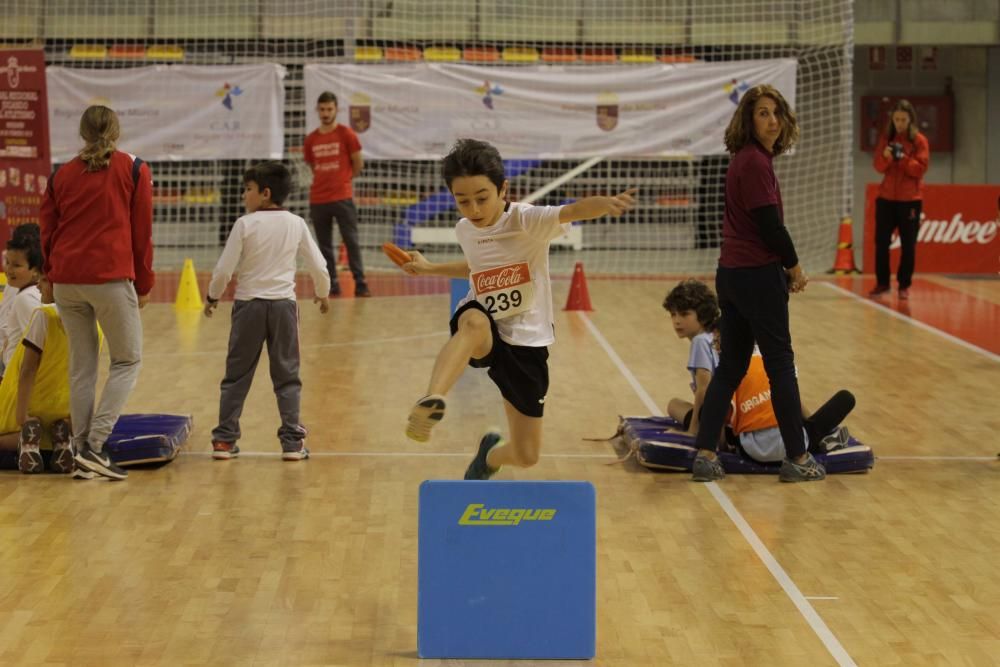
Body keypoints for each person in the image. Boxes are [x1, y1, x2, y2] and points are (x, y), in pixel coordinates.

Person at [397, 138, 635, 480]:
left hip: (527, 342)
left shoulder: (527, 220)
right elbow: (477, 268)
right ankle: (431, 401)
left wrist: (606, 203)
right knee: (474, 322)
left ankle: (490, 456)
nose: (474, 209)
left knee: (526, 455)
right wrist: (430, 267)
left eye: (482, 198)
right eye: (462, 201)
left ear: (503, 189)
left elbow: (573, 210)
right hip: (485, 328)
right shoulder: (465, 229)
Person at [689, 85, 825, 483]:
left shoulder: (746, 161)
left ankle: (706, 453)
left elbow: (755, 228)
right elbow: (770, 227)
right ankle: (797, 459)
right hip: (754, 277)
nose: (772, 120)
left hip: (732, 274)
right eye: (763, 113)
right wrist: (794, 267)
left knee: (730, 367)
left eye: (776, 113)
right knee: (781, 365)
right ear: (748, 121)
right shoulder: (754, 163)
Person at [39, 105, 154, 481]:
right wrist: (145, 283)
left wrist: (50, 276)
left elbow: (48, 230)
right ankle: (94, 446)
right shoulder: (134, 169)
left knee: (82, 368)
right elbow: (142, 233)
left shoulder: (62, 175)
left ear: (82, 132)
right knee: (127, 361)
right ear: (116, 131)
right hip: (109, 276)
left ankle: (82, 451)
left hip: (68, 279)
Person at [204, 161, 331, 462]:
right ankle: (291, 443)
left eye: (248, 189)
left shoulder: (244, 224)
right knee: (287, 376)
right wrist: (323, 294)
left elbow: (224, 270)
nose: (244, 195)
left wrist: (212, 296)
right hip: (284, 309)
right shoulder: (296, 223)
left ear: (265, 193)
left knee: (236, 376)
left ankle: (224, 440)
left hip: (248, 307)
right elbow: (319, 265)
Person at [0, 273, 73, 474]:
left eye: (42, 280)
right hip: (64, 409)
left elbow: (27, 369)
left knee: (14, 430)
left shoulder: (43, 314)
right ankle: (62, 442)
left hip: (29, 403)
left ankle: (28, 441)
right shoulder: (94, 323)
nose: (38, 286)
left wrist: (22, 417)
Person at [304, 91, 369, 297]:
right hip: (319, 199)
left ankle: (360, 282)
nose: (325, 113)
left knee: (351, 240)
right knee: (323, 245)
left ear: (336, 109)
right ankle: (331, 282)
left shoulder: (346, 134)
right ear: (317, 110)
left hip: (342, 196)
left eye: (329, 109)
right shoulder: (311, 139)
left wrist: (344, 180)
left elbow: (358, 163)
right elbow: (312, 165)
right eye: (322, 109)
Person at [869, 99, 930, 300]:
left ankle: (904, 285)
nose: (900, 123)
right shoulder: (886, 138)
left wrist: (902, 158)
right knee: (881, 243)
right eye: (896, 119)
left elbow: (920, 169)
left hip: (910, 200)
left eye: (903, 119)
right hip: (886, 198)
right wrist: (887, 156)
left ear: (910, 119)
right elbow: (878, 166)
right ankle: (882, 283)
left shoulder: (919, 140)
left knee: (908, 245)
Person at [663, 279, 719, 435]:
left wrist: (693, 430)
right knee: (675, 405)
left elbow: (704, 389)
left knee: (674, 406)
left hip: (723, 425)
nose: (677, 321)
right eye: (673, 314)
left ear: (703, 315)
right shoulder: (715, 335)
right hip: (736, 417)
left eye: (684, 314)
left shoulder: (700, 341)